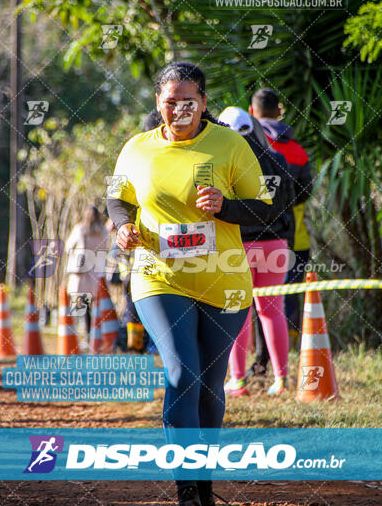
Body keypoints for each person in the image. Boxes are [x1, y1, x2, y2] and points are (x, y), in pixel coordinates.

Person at [107, 62, 273, 506]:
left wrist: (225, 207)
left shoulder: (230, 144)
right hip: (157, 276)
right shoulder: (136, 149)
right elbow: (116, 197)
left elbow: (264, 208)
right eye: (169, 102)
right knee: (182, 373)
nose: (179, 110)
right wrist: (122, 226)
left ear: (203, 102)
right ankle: (187, 490)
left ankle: (203, 483)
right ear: (158, 103)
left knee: (210, 385)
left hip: (224, 282)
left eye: (189, 102)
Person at [218, 107, 295, 396]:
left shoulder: (225, 161)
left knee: (238, 311)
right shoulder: (276, 160)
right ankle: (282, 380)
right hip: (275, 244)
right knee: (273, 312)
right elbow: (289, 204)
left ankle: (237, 381)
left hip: (237, 246)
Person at [249, 89, 313, 348]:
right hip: (294, 238)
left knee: (255, 302)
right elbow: (305, 193)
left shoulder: (248, 145)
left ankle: (258, 360)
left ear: (252, 112)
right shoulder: (298, 151)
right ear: (279, 111)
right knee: (287, 299)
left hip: (250, 237)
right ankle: (291, 353)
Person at [65, 205, 109, 337]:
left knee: (79, 305)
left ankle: (79, 336)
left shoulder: (80, 229)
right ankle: (93, 335)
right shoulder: (103, 231)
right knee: (94, 306)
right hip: (97, 271)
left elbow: (68, 247)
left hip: (81, 272)